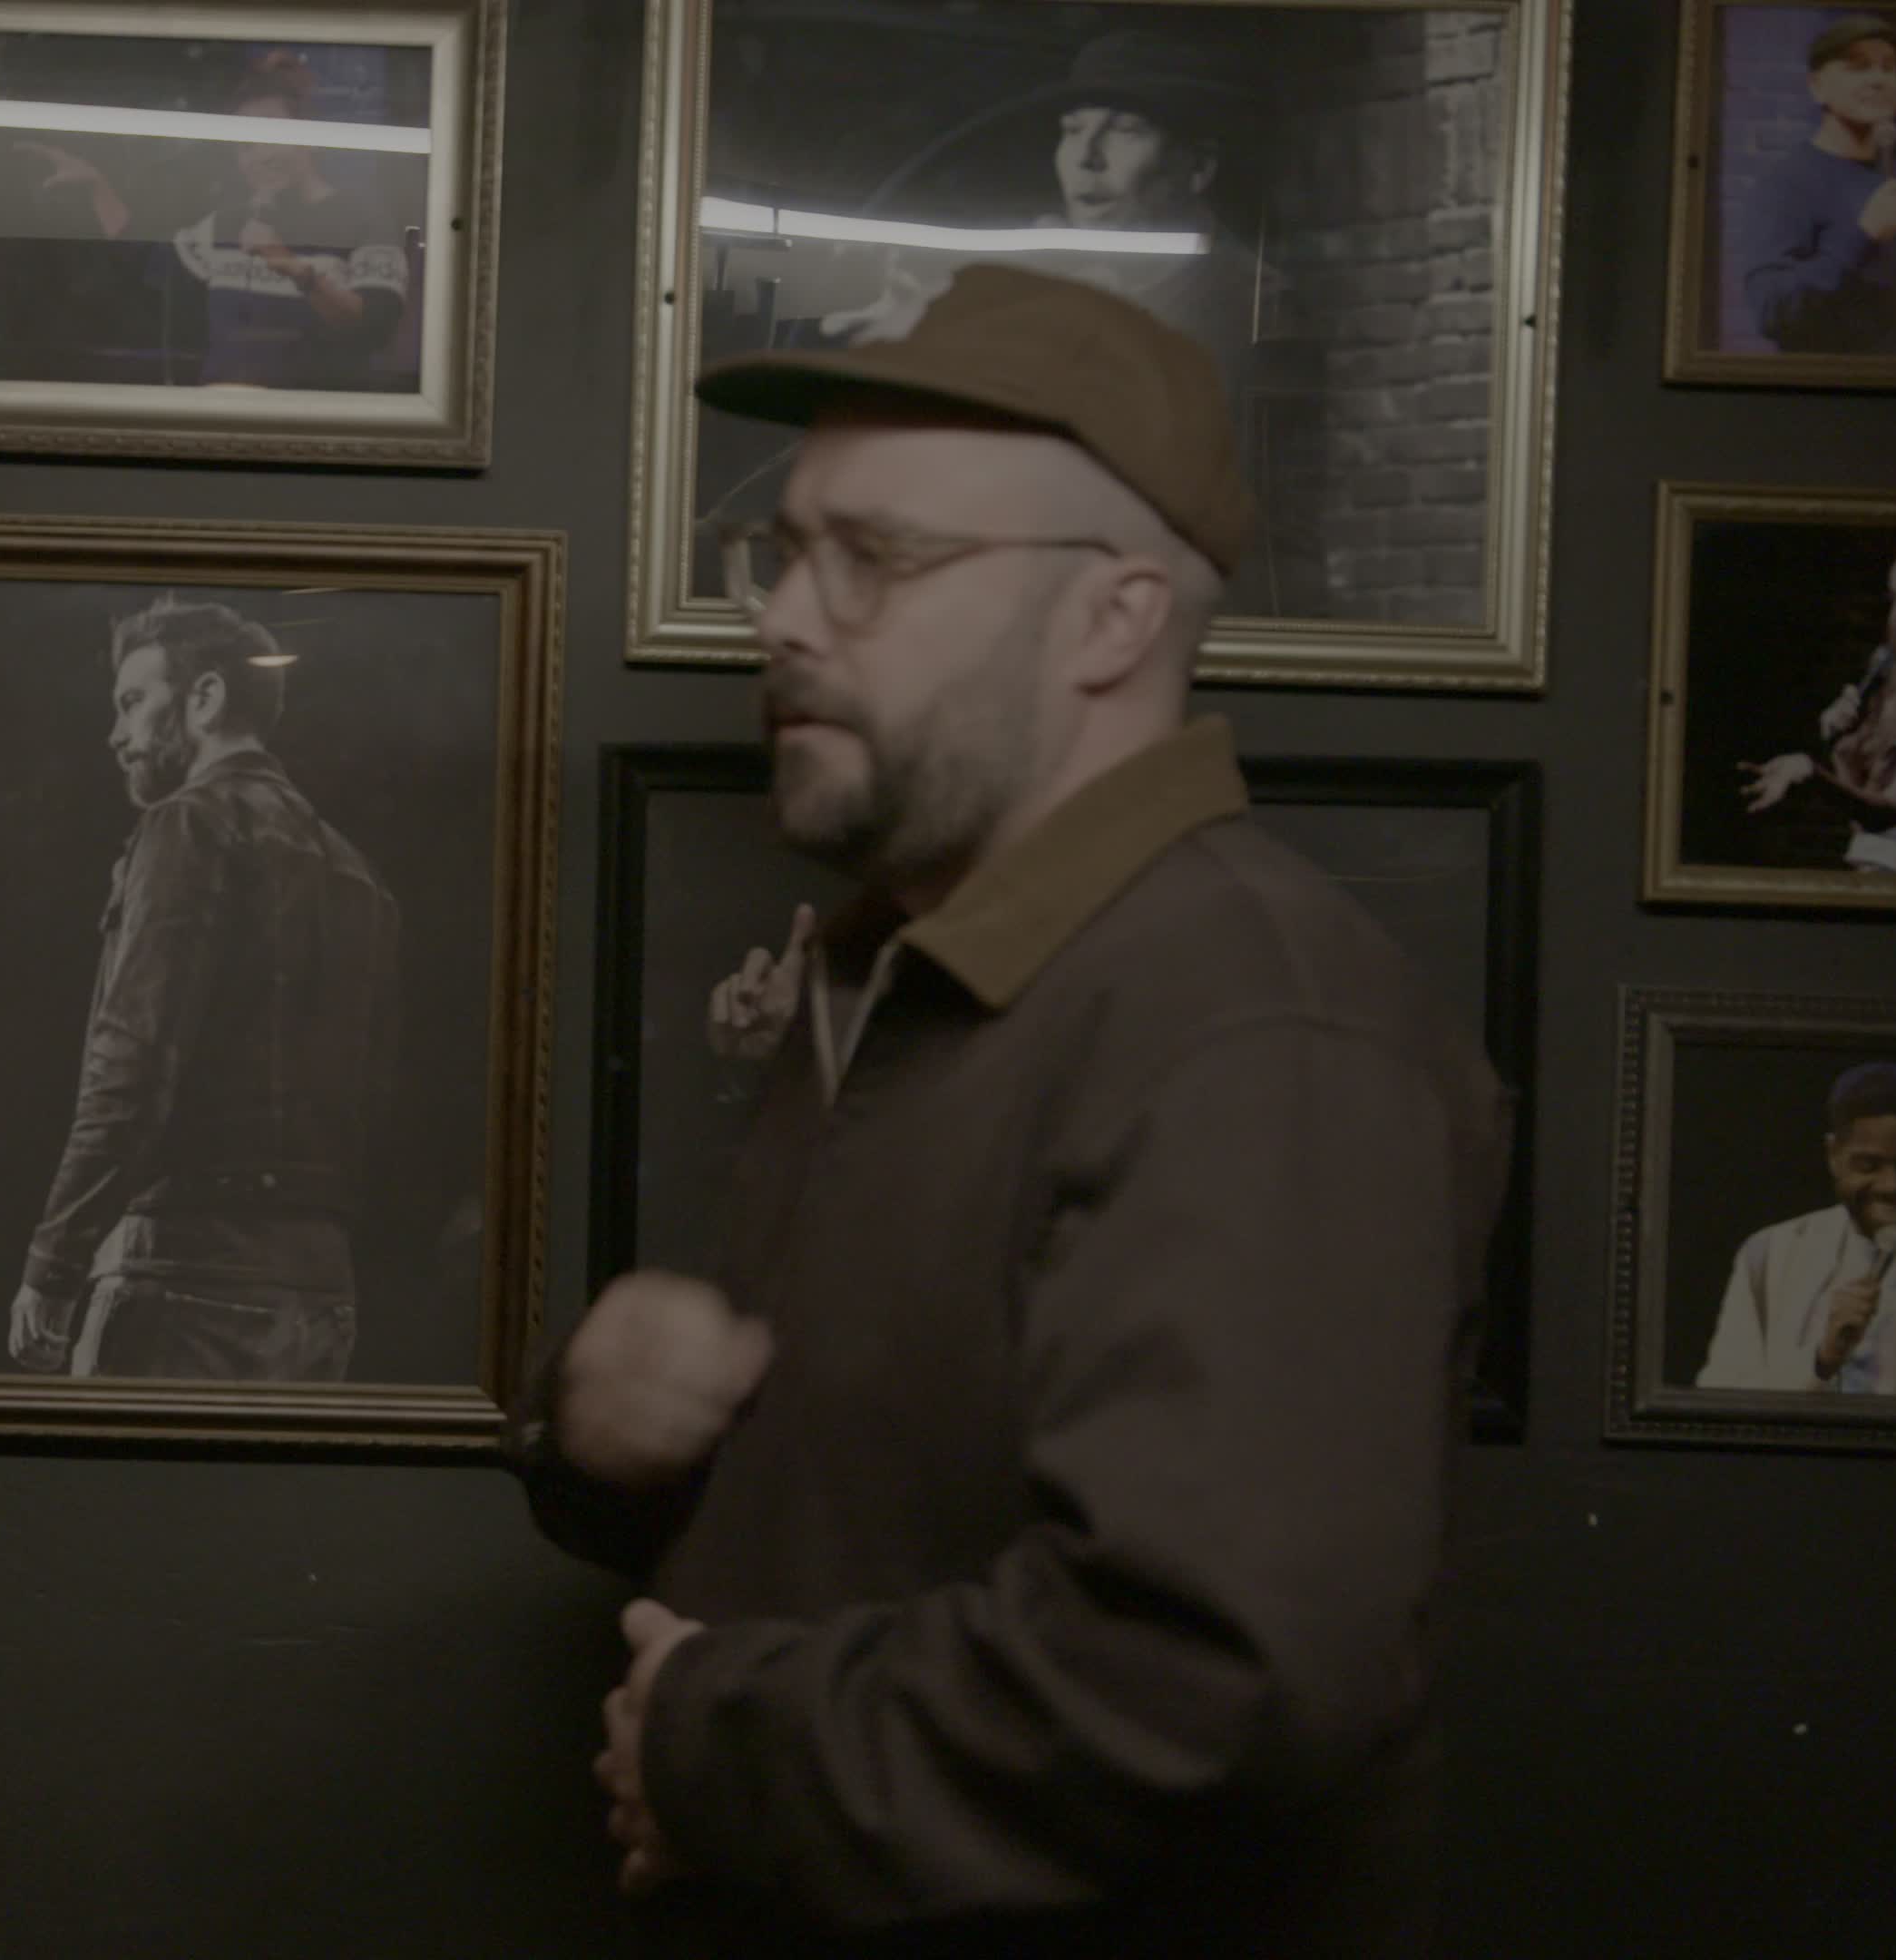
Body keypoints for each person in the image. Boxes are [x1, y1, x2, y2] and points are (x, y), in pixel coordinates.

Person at [508, 265, 1507, 1955]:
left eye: (874, 558)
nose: (785, 619)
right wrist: (599, 1446)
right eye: (783, 551)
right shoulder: (904, 965)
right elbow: (883, 1507)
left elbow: (1213, 1682)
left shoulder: (1257, 1025)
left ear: (1112, 621)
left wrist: (710, 1749)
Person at [6, 596, 403, 1382]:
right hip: (323, 1295)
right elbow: (382, 1100)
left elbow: (130, 1069)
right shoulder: (357, 873)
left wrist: (53, 1265)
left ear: (206, 698)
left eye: (132, 701)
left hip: (183, 1279)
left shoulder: (188, 825)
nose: (116, 733)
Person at [801, 31, 1276, 407]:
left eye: (1127, 131)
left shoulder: (1256, 308)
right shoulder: (1046, 271)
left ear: (1199, 167)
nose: (1087, 157)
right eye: (1072, 130)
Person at [14, 51, 414, 391]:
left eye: (270, 136)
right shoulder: (228, 223)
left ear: (309, 135)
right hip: (224, 418)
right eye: (244, 147)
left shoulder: (364, 218)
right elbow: (151, 264)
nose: (256, 157)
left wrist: (295, 269)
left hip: (311, 429)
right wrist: (97, 187)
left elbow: (374, 329)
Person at [1696, 1062, 1896, 1397]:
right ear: (1833, 1156)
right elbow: (1720, 1399)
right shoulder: (1771, 1254)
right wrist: (1821, 1359)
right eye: (1868, 1165)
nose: (1891, 1185)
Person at [1733, 14, 1896, 357]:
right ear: (1817, 86)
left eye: (1889, 67)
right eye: (1858, 67)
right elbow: (1774, 311)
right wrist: (1861, 236)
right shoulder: (1787, 183)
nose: (1878, 80)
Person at [1740, 537, 1896, 875]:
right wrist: (1844, 753)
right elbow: (1869, 833)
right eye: (1894, 598)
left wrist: (1809, 771)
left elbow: (1886, 811)